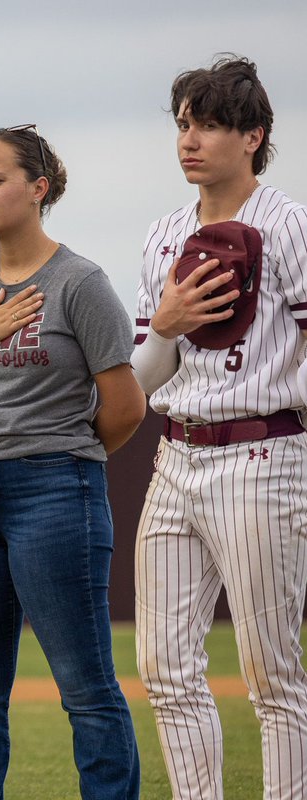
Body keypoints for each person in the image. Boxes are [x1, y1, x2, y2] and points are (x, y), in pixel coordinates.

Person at [0, 126, 145, 799]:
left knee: (84, 685)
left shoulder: (79, 282)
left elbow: (124, 407)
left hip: (54, 490)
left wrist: (62, 456)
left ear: (37, 189)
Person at [131, 55, 307, 800]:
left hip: (263, 448)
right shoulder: (161, 235)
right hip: (175, 456)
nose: (189, 140)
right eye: (181, 124)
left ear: (252, 135)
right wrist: (163, 328)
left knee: (272, 675)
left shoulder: (288, 224)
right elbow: (141, 382)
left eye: (207, 124)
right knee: (164, 669)